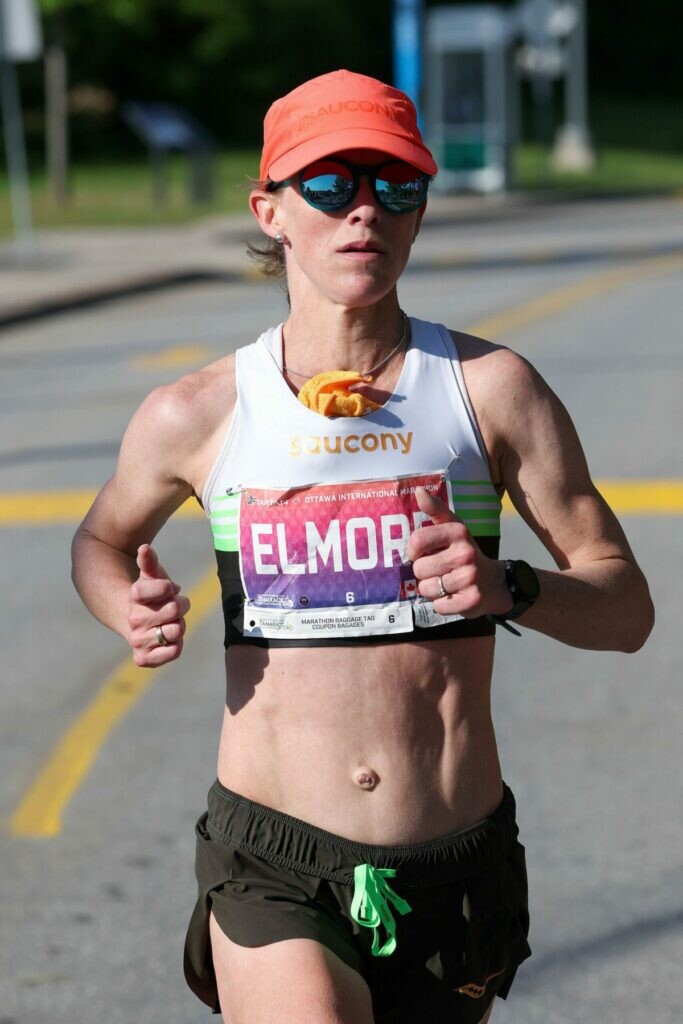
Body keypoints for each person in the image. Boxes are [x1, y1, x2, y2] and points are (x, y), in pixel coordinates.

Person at [71, 69, 654, 1024]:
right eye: (329, 185)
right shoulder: (199, 412)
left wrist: (511, 586)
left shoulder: (489, 390)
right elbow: (101, 540)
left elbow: (625, 610)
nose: (365, 211)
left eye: (396, 186)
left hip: (452, 865)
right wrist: (122, 605)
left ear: (420, 211)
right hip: (275, 862)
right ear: (270, 211)